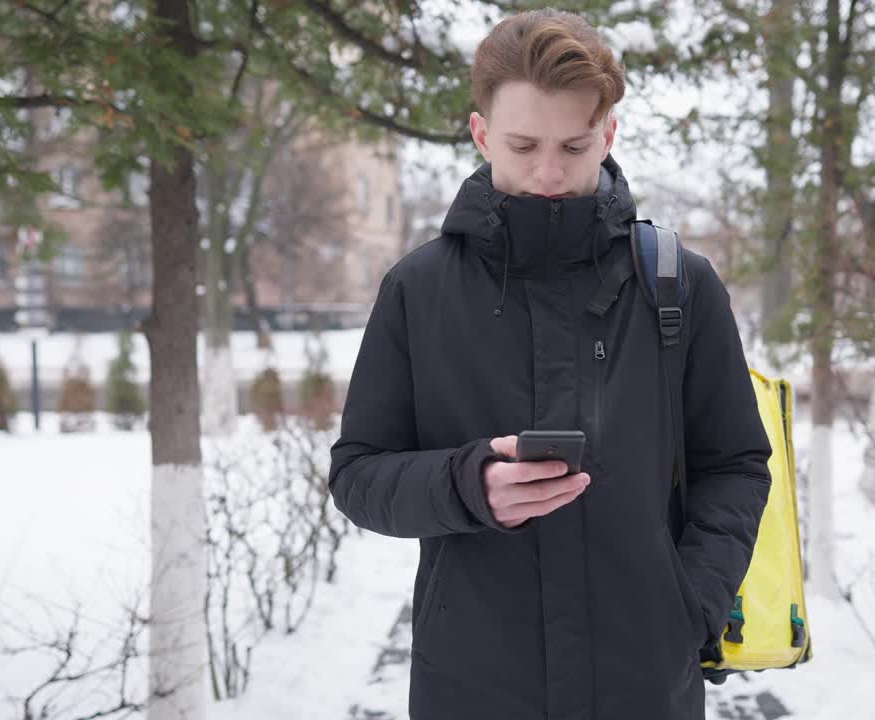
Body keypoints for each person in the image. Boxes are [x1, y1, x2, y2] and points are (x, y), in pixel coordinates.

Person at [329, 8, 771, 720]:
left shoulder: (681, 286)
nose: (547, 172)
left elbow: (736, 464)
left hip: (643, 684)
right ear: (480, 134)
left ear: (609, 134)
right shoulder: (418, 289)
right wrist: (467, 486)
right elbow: (357, 473)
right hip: (472, 685)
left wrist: (690, 604)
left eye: (573, 145)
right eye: (523, 144)